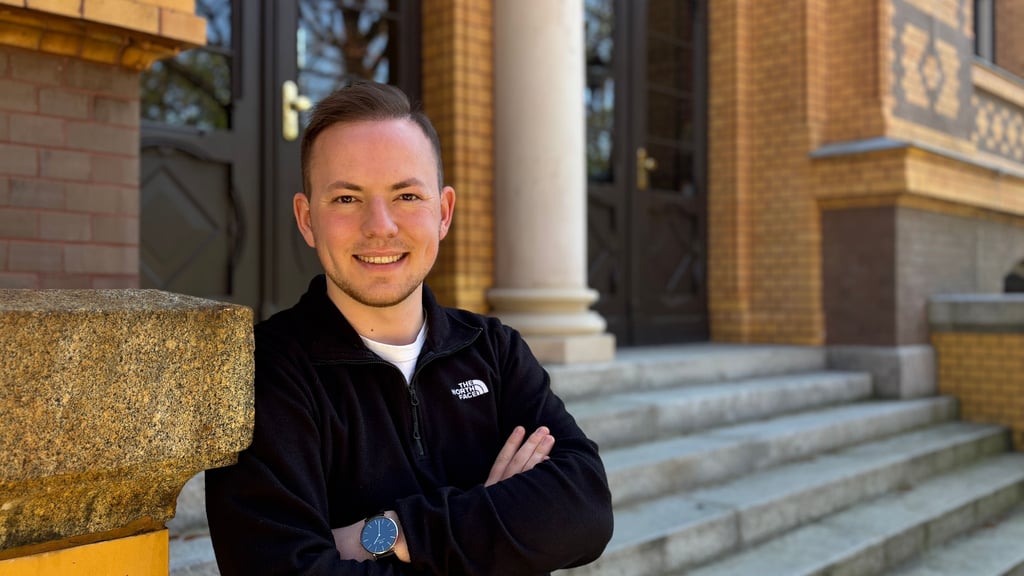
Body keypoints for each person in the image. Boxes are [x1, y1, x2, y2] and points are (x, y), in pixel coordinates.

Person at [205, 81, 613, 575]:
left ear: (443, 212)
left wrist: (392, 534)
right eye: (347, 199)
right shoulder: (263, 375)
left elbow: (586, 510)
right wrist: (498, 529)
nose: (380, 225)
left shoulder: (495, 351)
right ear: (307, 219)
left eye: (405, 194)